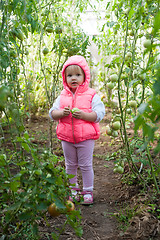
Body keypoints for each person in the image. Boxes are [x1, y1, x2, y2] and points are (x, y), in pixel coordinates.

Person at [49, 55, 105, 205]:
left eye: (78, 74)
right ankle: (73, 190)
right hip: (67, 138)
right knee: (70, 165)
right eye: (70, 75)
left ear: (85, 76)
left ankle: (88, 191)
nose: (74, 78)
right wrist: (61, 113)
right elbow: (52, 113)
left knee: (86, 165)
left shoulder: (92, 95)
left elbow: (99, 114)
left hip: (86, 137)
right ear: (64, 77)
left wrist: (84, 115)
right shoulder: (62, 97)